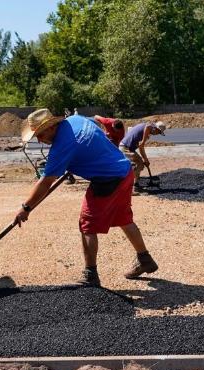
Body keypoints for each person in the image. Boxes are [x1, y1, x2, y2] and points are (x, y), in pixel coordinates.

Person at [13, 109, 158, 286]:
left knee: (87, 225)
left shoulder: (61, 147)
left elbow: (45, 182)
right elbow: (99, 129)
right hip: (125, 171)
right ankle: (145, 259)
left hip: (107, 180)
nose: (39, 140)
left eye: (40, 134)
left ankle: (90, 275)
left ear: (51, 127)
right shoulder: (76, 119)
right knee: (124, 218)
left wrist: (26, 208)